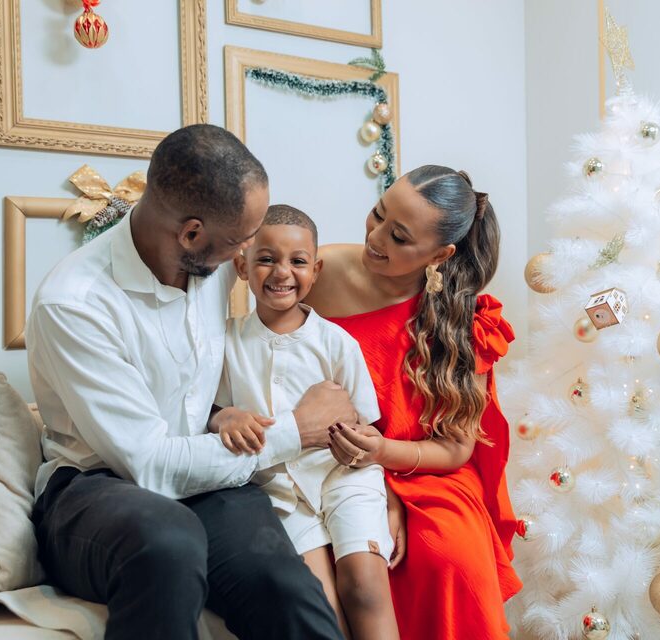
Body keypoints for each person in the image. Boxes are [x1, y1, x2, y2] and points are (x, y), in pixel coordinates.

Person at [26, 124, 353, 640]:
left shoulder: (208, 261)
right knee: (170, 541)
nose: (249, 252)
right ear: (191, 234)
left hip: (206, 473)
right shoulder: (74, 304)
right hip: (97, 488)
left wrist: (218, 414)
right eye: (243, 240)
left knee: (286, 589)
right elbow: (150, 464)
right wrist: (298, 429)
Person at [304, 165, 523, 640]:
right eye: (377, 214)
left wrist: (385, 457)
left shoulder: (464, 322)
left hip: (427, 471)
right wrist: (377, 487)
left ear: (440, 255)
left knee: (450, 557)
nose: (375, 237)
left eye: (399, 237)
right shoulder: (318, 272)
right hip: (330, 459)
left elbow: (456, 450)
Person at [210, 204, 399, 640]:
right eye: (266, 259)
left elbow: (370, 428)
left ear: (314, 271)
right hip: (278, 491)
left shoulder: (336, 342)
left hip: (344, 478)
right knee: (318, 601)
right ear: (242, 266)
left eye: (297, 261)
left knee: (365, 586)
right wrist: (225, 416)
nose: (282, 272)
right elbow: (209, 414)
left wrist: (390, 502)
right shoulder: (226, 342)